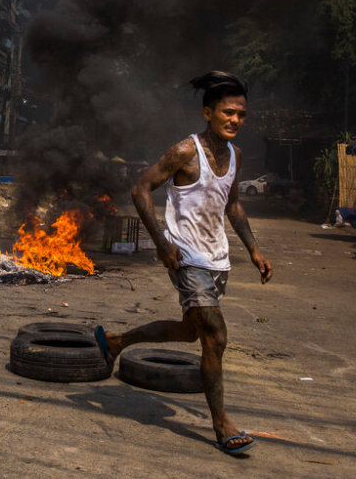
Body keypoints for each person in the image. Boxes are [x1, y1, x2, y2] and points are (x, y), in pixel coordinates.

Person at [95, 70, 273, 456]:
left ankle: (116, 341)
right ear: (208, 113)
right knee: (216, 335)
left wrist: (254, 250)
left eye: (242, 114)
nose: (235, 120)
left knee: (191, 333)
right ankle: (222, 425)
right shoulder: (184, 152)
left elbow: (233, 205)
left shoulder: (235, 156)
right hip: (186, 256)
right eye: (228, 112)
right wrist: (161, 243)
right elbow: (140, 188)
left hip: (217, 259)